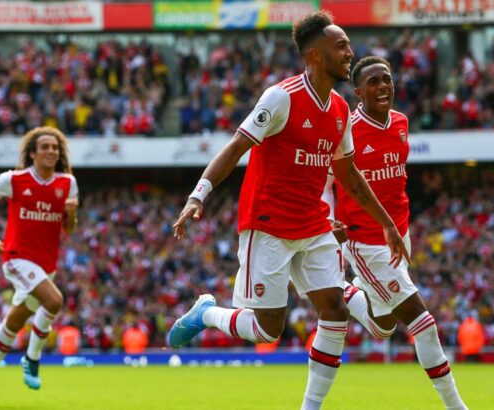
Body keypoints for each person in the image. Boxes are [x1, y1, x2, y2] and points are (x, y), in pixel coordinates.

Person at [165, 11, 409, 410]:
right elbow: (236, 148)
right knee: (267, 330)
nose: (350, 53)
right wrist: (198, 196)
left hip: (313, 224)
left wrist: (387, 225)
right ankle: (207, 313)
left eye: (349, 45)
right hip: (269, 225)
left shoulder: (340, 110)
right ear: (315, 55)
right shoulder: (282, 97)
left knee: (335, 310)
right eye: (341, 46)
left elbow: (349, 176)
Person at [323, 56, 468, 410]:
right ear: (358, 92)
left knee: (383, 326)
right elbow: (325, 181)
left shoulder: (401, 122)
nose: (383, 86)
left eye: (386, 79)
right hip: (365, 239)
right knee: (423, 322)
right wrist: (327, 218)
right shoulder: (346, 130)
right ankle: (456, 406)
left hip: (400, 235)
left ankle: (346, 292)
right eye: (373, 81)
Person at [0, 126, 78, 406]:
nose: (51, 151)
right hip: (17, 258)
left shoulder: (68, 183)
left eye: (55, 147)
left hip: (46, 264)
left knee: (15, 322)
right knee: (54, 300)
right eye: (44, 147)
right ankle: (32, 358)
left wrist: (71, 215)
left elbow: (69, 229)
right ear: (32, 153)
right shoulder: (13, 179)